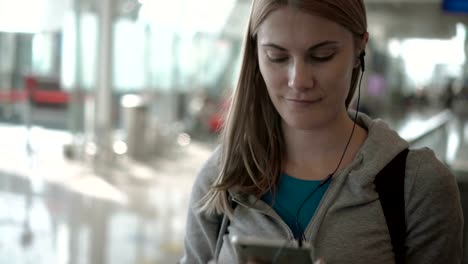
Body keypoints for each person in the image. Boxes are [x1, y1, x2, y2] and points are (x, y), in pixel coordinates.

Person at [180, 1, 464, 263]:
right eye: (277, 57)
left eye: (321, 56)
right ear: (256, 55)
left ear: (359, 50)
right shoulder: (222, 177)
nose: (299, 80)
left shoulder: (418, 186)